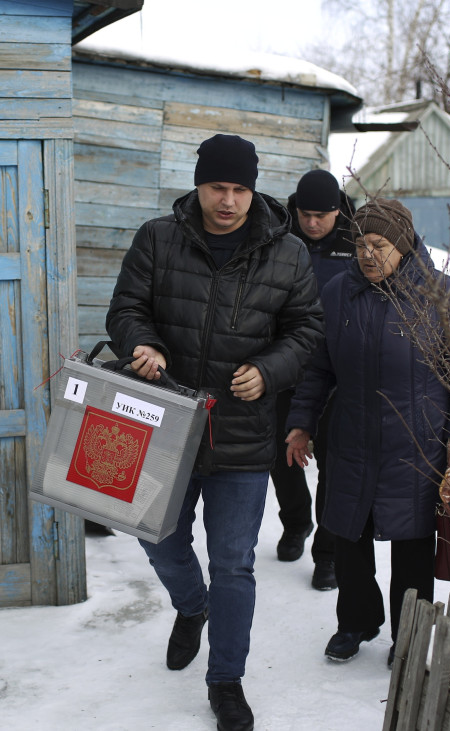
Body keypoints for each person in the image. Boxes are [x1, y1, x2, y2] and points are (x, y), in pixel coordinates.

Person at [105, 133, 324, 731]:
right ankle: (190, 606)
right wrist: (140, 342)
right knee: (155, 536)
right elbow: (125, 308)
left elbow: (307, 331)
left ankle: (226, 681)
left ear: (253, 190)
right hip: (165, 424)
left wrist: (271, 370)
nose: (227, 201)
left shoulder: (286, 253)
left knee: (234, 564)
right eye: (216, 187)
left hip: (244, 435)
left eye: (239, 189)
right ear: (198, 183)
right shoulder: (158, 237)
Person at [284, 199, 450, 667]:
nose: (368, 254)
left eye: (379, 245)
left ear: (405, 246)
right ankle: (355, 622)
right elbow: (318, 368)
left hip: (416, 443)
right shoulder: (338, 293)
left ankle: (409, 634)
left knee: (412, 546)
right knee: (348, 537)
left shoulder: (442, 296)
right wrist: (301, 423)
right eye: (360, 244)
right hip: (351, 437)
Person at [270, 169, 356, 591]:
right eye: (306, 214)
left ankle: (327, 554)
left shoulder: (357, 242)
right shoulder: (277, 233)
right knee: (280, 453)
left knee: (332, 465)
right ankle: (296, 522)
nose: (313, 223)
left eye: (322, 216)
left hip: (336, 373)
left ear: (338, 211)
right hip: (285, 363)